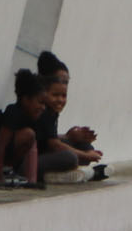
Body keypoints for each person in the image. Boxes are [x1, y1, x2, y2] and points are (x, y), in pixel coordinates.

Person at [36, 49, 108, 182]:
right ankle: (53, 176)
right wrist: (85, 155)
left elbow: (46, 137)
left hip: (45, 152)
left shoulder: (52, 111)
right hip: (34, 161)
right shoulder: (42, 109)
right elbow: (53, 144)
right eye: (56, 94)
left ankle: (70, 171)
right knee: (71, 157)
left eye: (66, 82)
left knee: (84, 146)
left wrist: (70, 137)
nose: (61, 99)